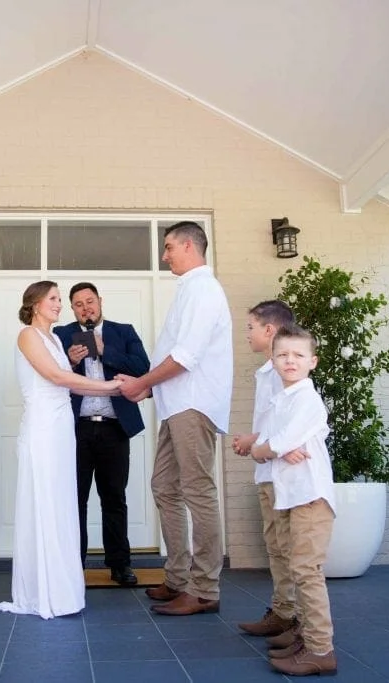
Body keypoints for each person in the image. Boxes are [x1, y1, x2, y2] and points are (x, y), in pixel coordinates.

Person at [118, 221, 233, 616]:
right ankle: (178, 577)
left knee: (198, 491)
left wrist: (141, 384)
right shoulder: (188, 291)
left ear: (188, 245)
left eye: (168, 247)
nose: (164, 255)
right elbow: (175, 354)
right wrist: (145, 387)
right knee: (164, 487)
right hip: (173, 404)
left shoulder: (204, 289)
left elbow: (186, 356)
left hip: (194, 404)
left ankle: (204, 589)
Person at [0, 281, 122, 619]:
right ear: (35, 303)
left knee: (63, 503)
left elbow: (65, 375)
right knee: (46, 502)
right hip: (43, 429)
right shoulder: (28, 335)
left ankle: (63, 589)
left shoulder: (55, 339)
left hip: (63, 429)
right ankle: (43, 591)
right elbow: (56, 378)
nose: (60, 305)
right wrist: (108, 386)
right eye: (54, 299)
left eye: (60, 300)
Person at [249, 325, 337, 676]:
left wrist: (265, 449)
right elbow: (278, 443)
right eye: (283, 354)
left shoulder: (306, 399)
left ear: (312, 362)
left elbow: (272, 445)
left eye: (298, 355)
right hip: (291, 495)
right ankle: (304, 634)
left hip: (310, 496)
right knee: (295, 565)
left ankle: (321, 649)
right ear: (272, 359)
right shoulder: (283, 398)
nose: (290, 360)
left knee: (306, 571)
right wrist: (275, 448)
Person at [53, 282, 150, 586]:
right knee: (74, 499)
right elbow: (49, 376)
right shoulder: (60, 335)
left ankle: (120, 565)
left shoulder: (124, 331)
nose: (86, 308)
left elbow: (142, 368)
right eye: (79, 304)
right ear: (72, 309)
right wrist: (69, 360)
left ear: (100, 302)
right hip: (76, 430)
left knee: (114, 498)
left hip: (114, 427)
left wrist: (106, 349)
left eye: (90, 301)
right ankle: (74, 565)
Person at [231, 300, 302, 645]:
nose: (247, 334)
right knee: (275, 546)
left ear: (269, 330)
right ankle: (282, 612)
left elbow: (289, 426)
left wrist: (252, 440)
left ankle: (297, 621)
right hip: (267, 473)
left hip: (281, 475)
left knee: (287, 547)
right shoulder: (267, 372)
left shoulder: (281, 373)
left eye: (250, 327)